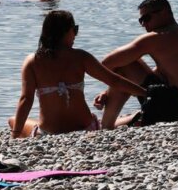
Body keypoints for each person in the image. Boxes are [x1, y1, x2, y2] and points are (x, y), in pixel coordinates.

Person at [9, 10, 147, 138]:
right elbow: (114, 81)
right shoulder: (81, 57)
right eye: (74, 30)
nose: (75, 35)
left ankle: (128, 118)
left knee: (12, 120)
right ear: (64, 32)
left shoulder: (32, 61)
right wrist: (146, 93)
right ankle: (129, 118)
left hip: (48, 133)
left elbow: (26, 99)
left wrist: (15, 135)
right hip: (86, 129)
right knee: (98, 121)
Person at [93, 0, 178, 128]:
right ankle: (115, 122)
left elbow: (105, 64)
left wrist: (113, 85)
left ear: (164, 12)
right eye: (141, 20)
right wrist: (108, 91)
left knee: (125, 65)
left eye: (146, 18)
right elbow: (164, 73)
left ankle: (105, 127)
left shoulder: (157, 37)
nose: (144, 24)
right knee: (128, 65)